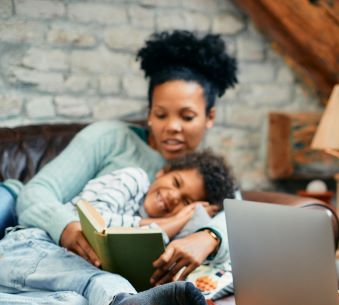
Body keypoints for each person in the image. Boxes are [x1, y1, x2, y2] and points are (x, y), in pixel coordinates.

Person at [4, 30, 237, 286]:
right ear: (149, 113)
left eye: (187, 117)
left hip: (79, 270)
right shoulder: (110, 137)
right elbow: (36, 192)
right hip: (18, 214)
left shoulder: (209, 178)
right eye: (161, 115)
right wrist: (65, 227)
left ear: (210, 117)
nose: (172, 127)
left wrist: (209, 236)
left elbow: (238, 218)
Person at [0, 150, 237, 305]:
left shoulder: (172, 241)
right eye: (175, 182)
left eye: (186, 202)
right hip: (31, 249)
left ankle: (118, 304)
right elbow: (94, 220)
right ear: (162, 172)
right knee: (98, 283)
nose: (174, 197)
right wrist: (172, 222)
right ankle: (121, 301)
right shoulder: (132, 179)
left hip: (59, 288)